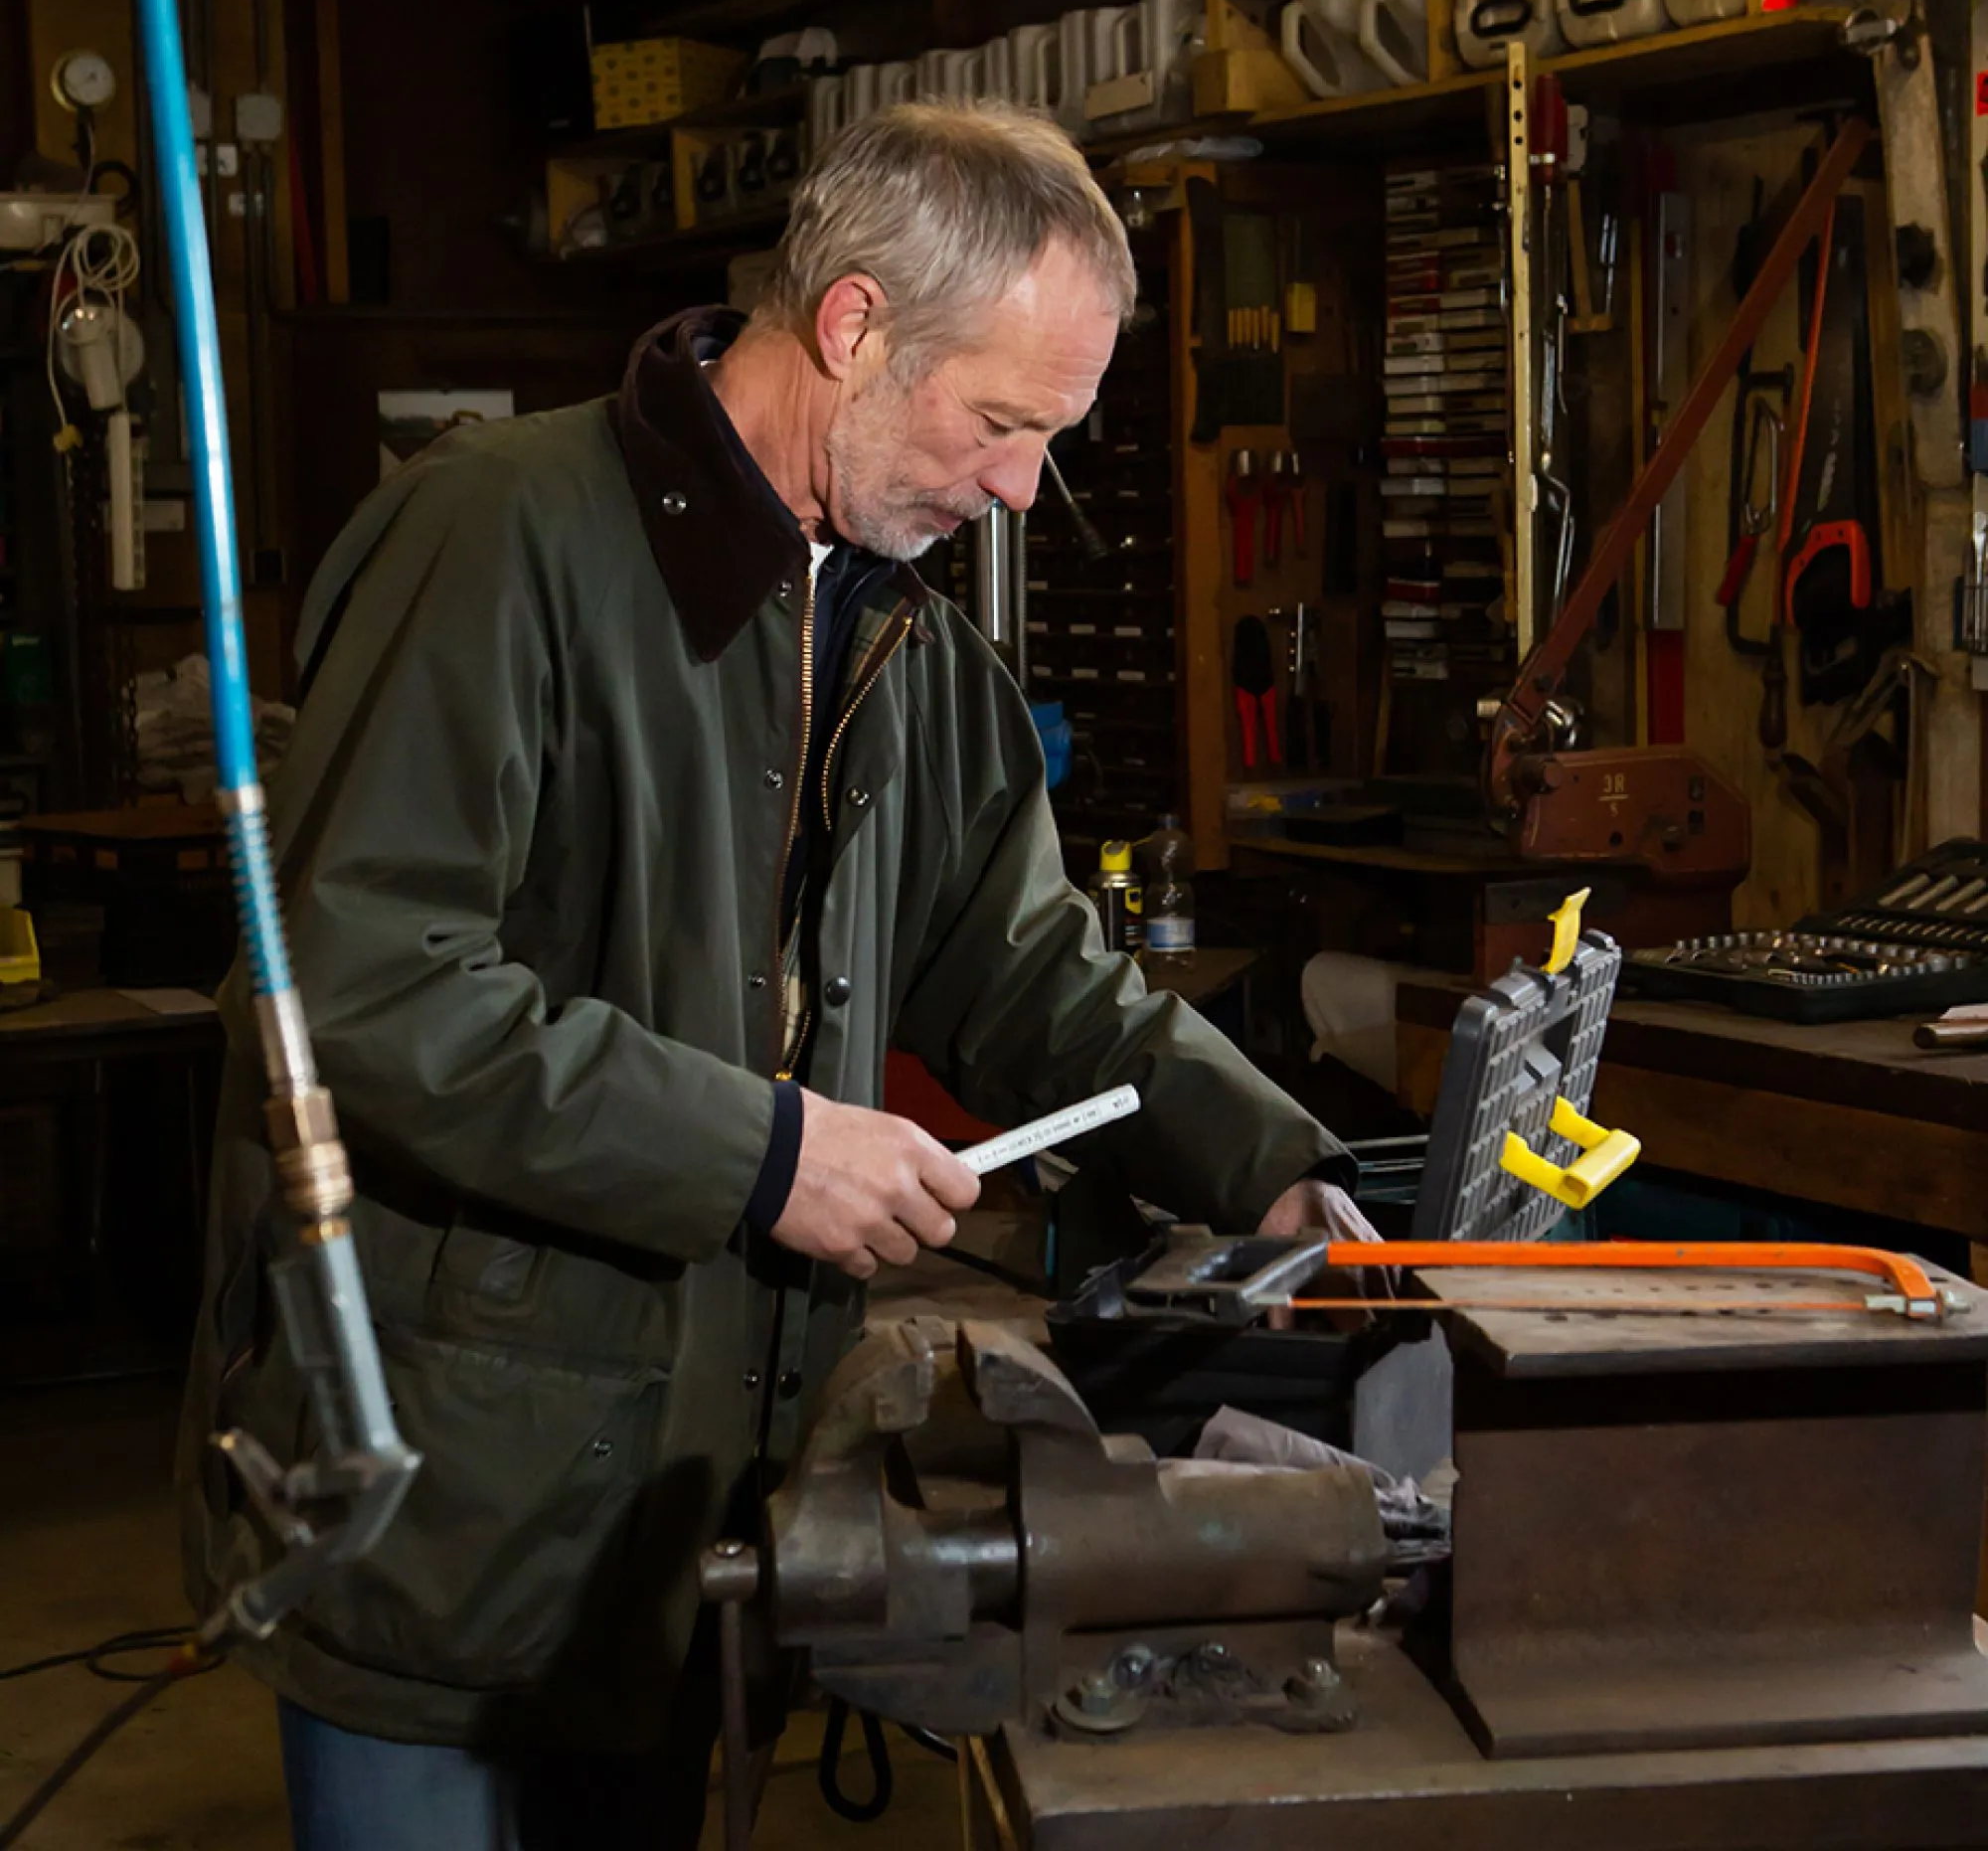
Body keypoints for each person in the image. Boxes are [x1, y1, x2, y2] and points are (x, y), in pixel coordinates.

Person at [178, 100, 1375, 1850]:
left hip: (696, 1513)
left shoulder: (899, 625)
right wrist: (764, 1149)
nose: (1022, 487)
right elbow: (355, 993)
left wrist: (1266, 1164)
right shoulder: (494, 545)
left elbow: (1028, 965)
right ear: (854, 325)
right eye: (1002, 423)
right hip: (447, 1503)